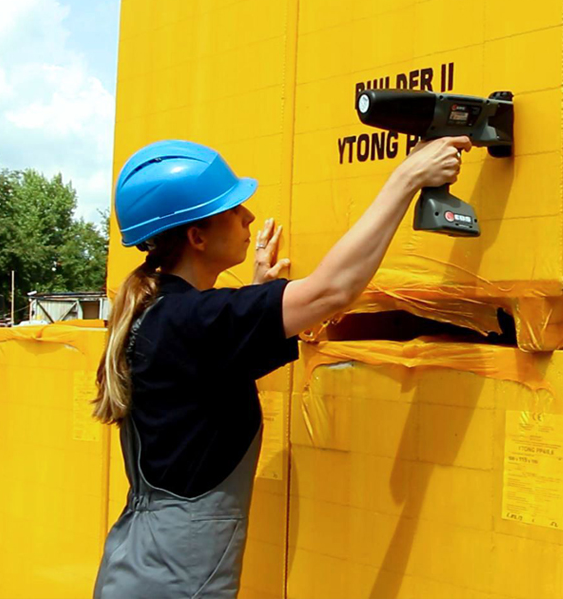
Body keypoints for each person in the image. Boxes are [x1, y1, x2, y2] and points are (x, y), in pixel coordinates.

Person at [92, 135, 471, 598]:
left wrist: (256, 298)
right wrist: (408, 176)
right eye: (233, 209)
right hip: (176, 581)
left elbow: (205, 381)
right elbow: (333, 291)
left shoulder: (163, 316)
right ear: (197, 236)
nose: (249, 216)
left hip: (139, 565)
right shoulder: (196, 321)